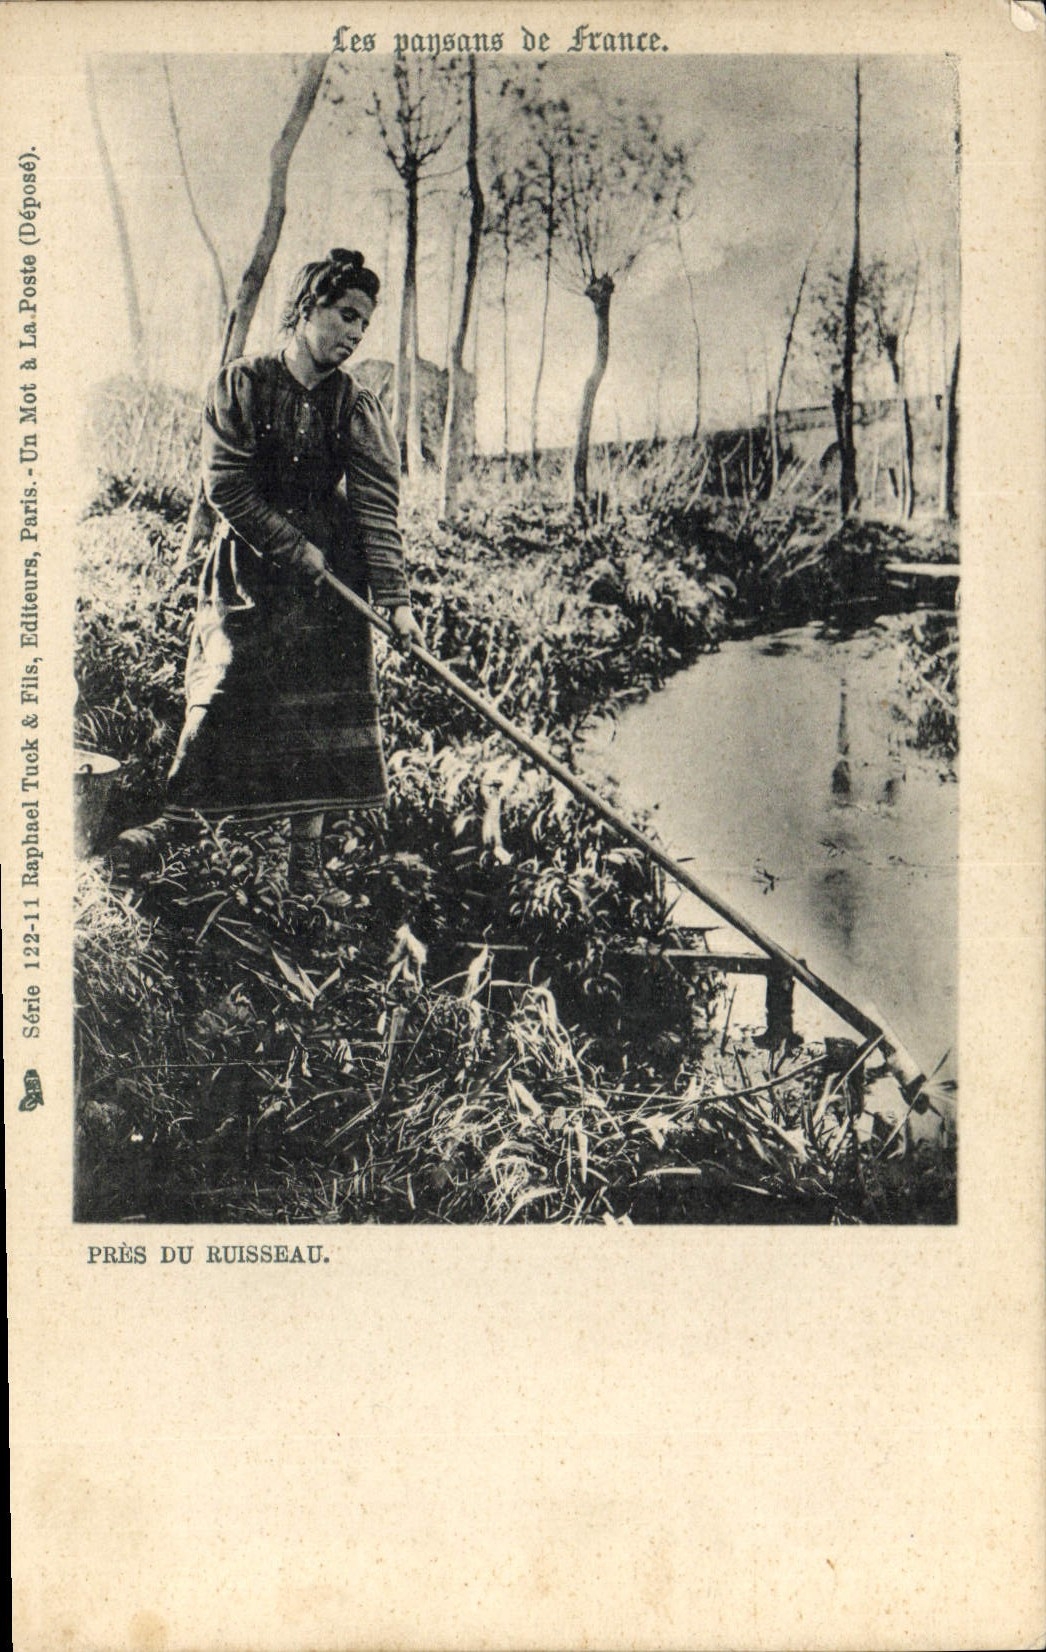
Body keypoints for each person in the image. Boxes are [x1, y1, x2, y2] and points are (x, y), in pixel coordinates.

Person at [111, 247, 423, 898]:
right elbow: (226, 485)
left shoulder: (353, 404)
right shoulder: (243, 384)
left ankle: (304, 874)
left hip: (331, 585)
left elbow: (376, 507)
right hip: (251, 570)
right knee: (225, 695)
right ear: (308, 307)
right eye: (345, 315)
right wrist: (288, 543)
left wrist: (395, 601)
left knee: (320, 720)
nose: (354, 334)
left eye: (364, 324)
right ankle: (174, 837)